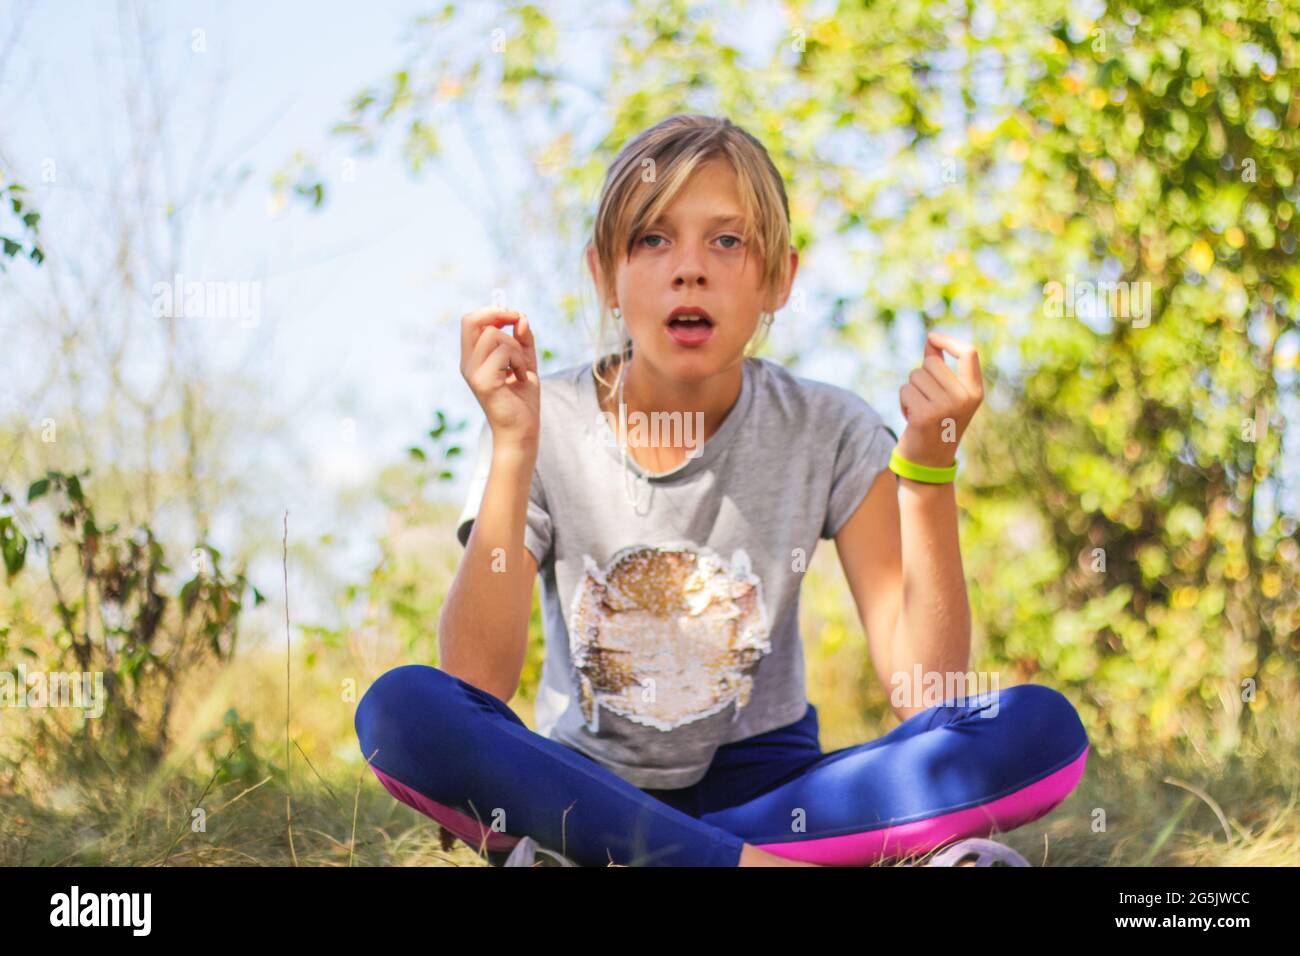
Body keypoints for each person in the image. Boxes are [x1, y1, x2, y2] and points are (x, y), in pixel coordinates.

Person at [355, 114, 1089, 867]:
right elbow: (477, 682)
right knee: (402, 710)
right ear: (605, 276)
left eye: (728, 241)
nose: (690, 268)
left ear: (779, 281)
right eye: (652, 238)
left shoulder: (829, 427)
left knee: (1039, 728)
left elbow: (926, 697)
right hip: (586, 779)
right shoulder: (543, 419)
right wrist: (513, 445)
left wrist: (930, 471)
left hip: (776, 795)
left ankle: (599, 855)